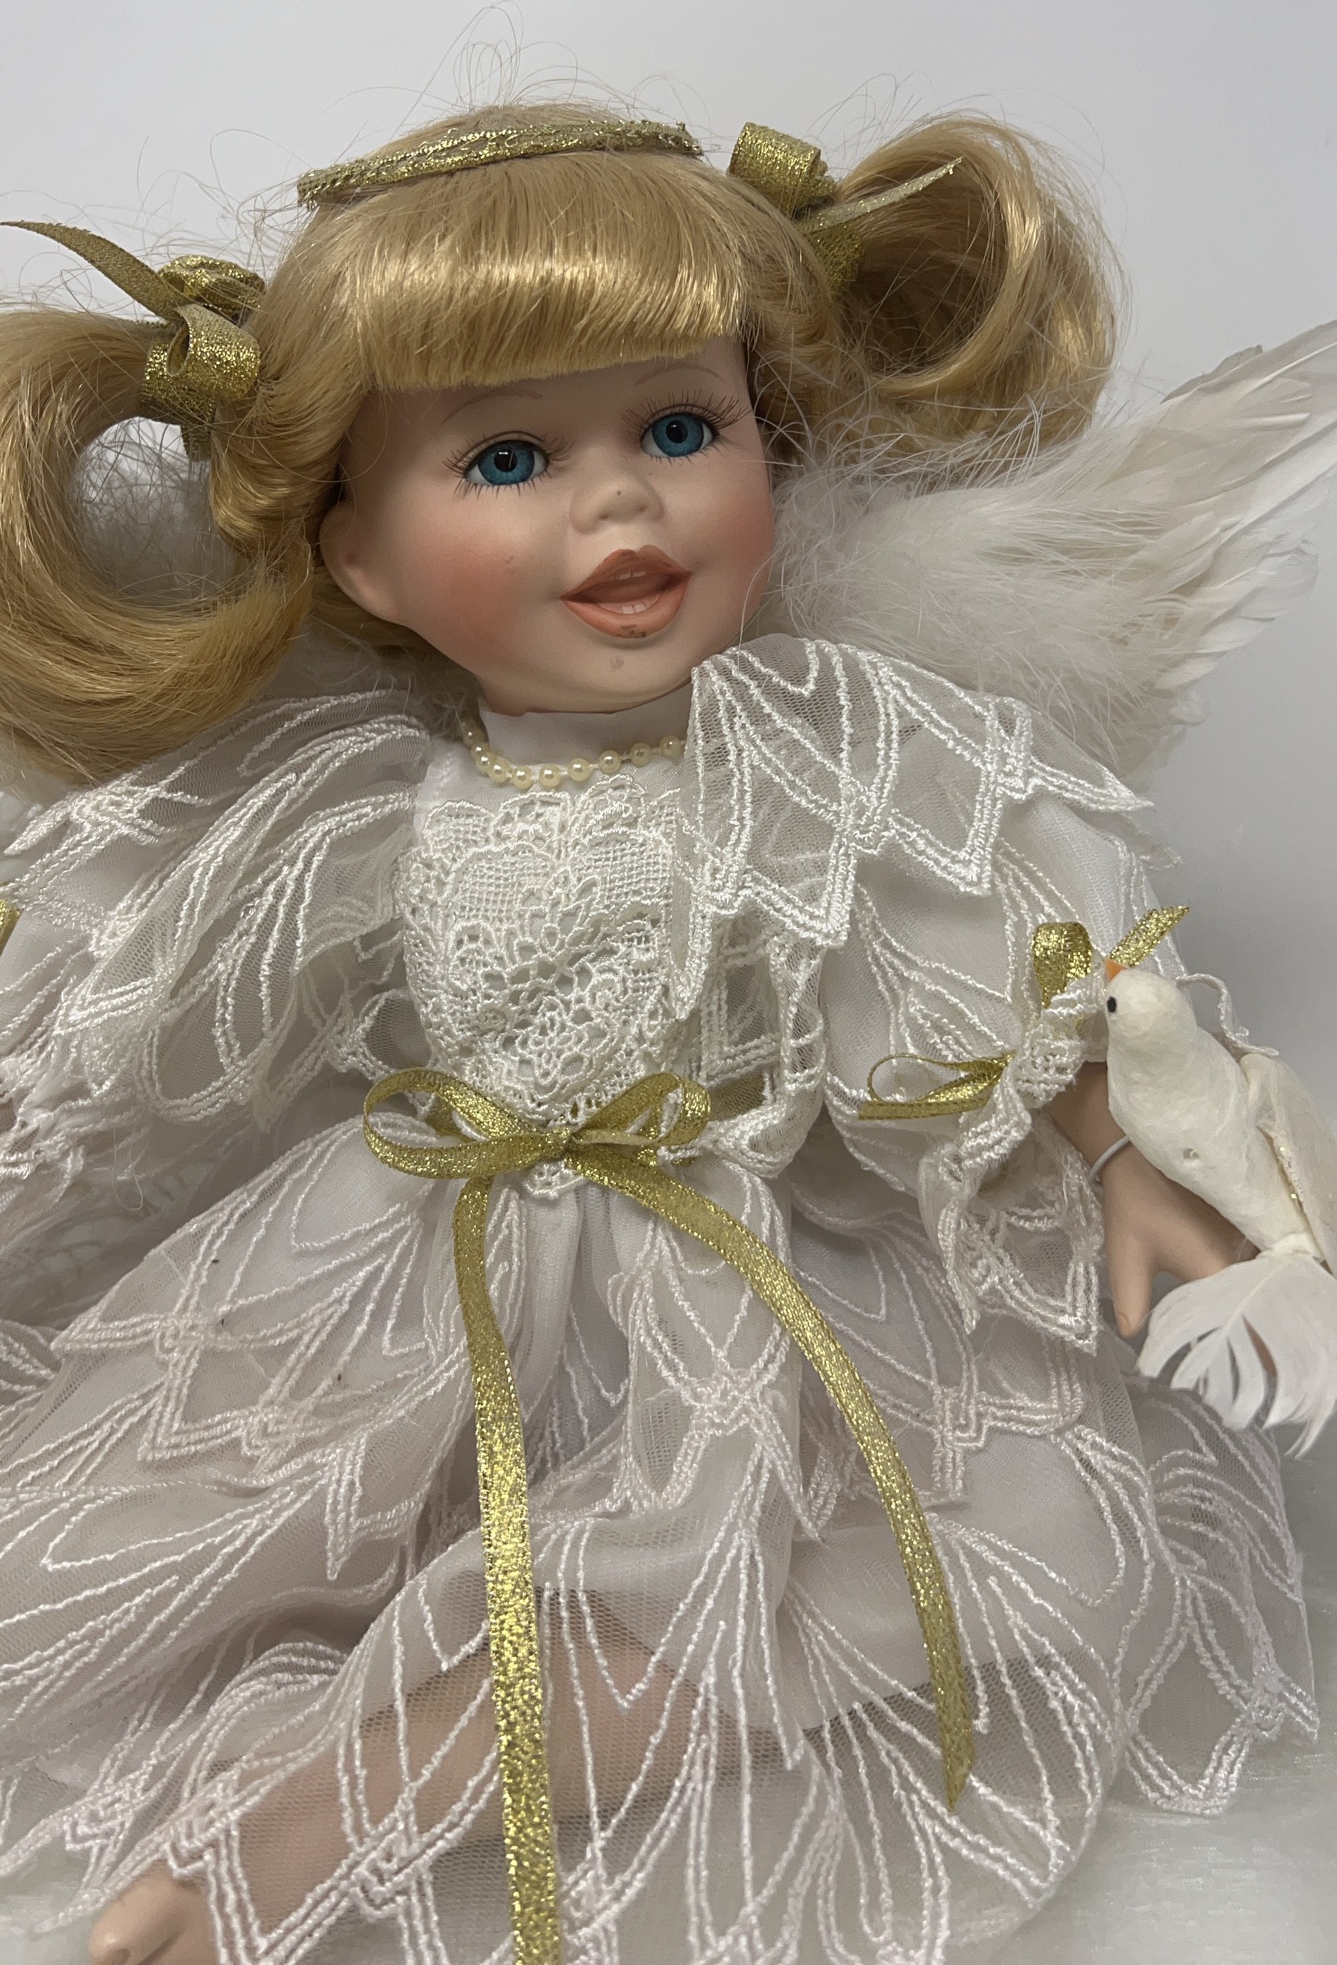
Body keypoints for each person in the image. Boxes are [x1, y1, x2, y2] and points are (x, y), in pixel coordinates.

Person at [0, 105, 1331, 1965]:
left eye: (682, 431)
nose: (619, 507)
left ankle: (367, 1788)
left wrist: (1124, 1154)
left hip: (746, 1272)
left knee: (1006, 1549)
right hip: (403, 1268)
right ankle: (327, 1778)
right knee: (197, 1531)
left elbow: (975, 975)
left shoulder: (813, 761)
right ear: (357, 561)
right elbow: (128, 1043)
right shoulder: (343, 806)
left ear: (775, 454)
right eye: (509, 457)